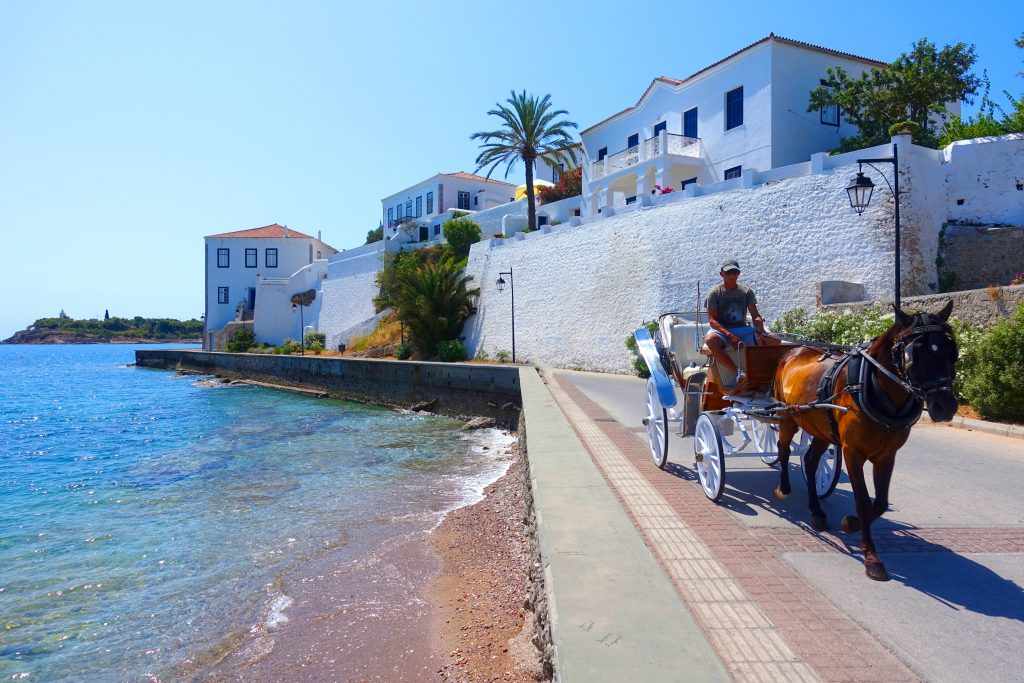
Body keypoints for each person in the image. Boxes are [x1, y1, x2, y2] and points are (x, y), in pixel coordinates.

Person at [703, 258, 779, 389]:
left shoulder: (746, 292)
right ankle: (738, 373)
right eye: (728, 273)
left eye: (734, 272)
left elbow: (755, 315)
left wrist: (759, 325)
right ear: (722, 274)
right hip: (722, 330)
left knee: (774, 340)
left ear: (738, 274)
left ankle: (767, 376)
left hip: (742, 329)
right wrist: (729, 335)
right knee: (710, 340)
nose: (732, 275)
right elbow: (712, 321)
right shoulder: (714, 294)